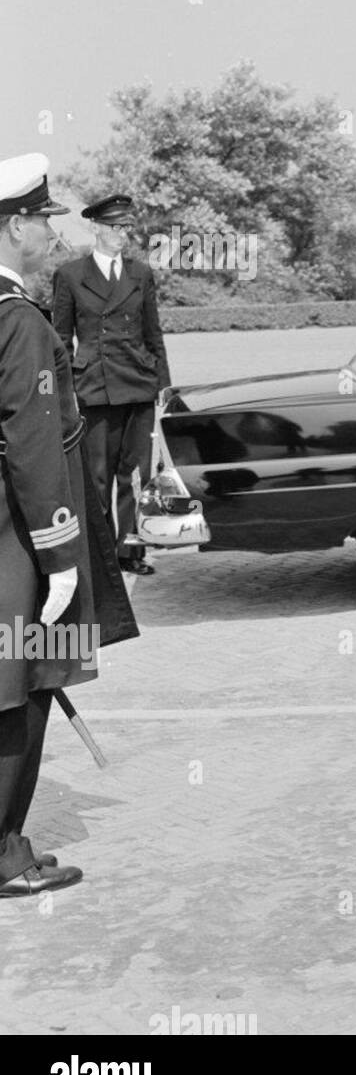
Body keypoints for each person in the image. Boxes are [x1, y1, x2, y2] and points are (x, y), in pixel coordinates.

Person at [0, 154, 138, 898]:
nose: (52, 232)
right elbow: (32, 444)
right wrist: (59, 557)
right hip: (20, 542)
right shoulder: (17, 322)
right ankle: (1, 856)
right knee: (19, 690)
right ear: (14, 224)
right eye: (44, 220)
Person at [52, 194, 171, 576]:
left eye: (126, 228)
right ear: (96, 228)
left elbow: (154, 333)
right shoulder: (71, 275)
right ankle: (102, 559)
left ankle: (130, 552)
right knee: (98, 477)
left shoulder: (141, 274)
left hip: (137, 383)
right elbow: (60, 337)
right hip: (95, 388)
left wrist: (164, 386)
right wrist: (65, 390)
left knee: (133, 474)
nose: (122, 234)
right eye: (115, 227)